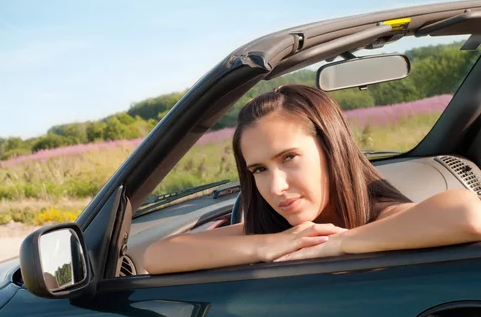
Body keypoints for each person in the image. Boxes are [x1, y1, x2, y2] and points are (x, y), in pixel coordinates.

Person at [144, 84, 481, 275]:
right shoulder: (282, 231)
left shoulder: (383, 215)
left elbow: (467, 214)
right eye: (259, 170)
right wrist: (270, 244)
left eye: (288, 158)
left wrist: (335, 244)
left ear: (331, 150)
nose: (275, 187)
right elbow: (157, 256)